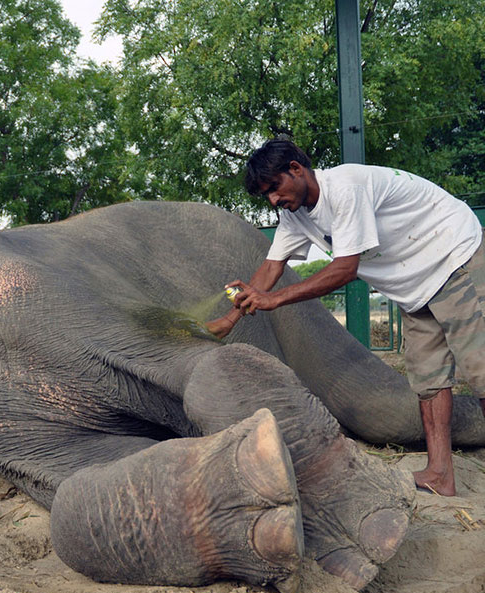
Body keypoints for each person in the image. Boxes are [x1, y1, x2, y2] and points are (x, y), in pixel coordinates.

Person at [207, 138, 485, 496]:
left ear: (296, 169)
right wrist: (230, 320)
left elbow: (345, 269)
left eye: (275, 188)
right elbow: (272, 266)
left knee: (481, 368)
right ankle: (440, 475)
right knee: (428, 379)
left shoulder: (346, 188)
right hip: (415, 285)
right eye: (266, 195)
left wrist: (273, 300)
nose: (274, 200)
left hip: (455, 255)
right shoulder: (294, 215)